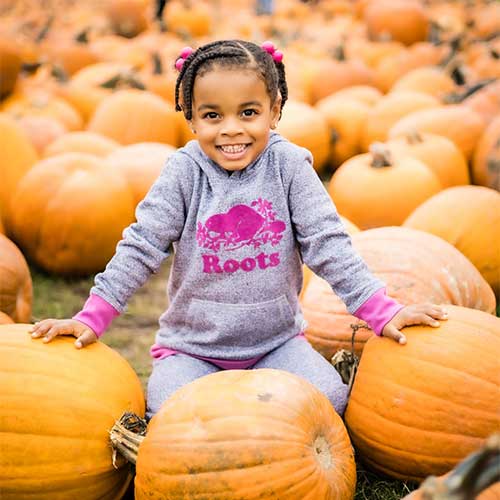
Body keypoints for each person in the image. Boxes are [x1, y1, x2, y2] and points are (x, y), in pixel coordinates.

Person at [30, 40, 448, 420]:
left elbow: (328, 244)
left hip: (276, 345)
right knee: (172, 416)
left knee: (329, 404)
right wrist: (93, 317)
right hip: (192, 350)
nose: (231, 129)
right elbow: (141, 246)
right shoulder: (184, 172)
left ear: (275, 110)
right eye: (212, 115)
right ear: (191, 118)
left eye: (248, 113)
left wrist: (381, 311)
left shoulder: (289, 168)